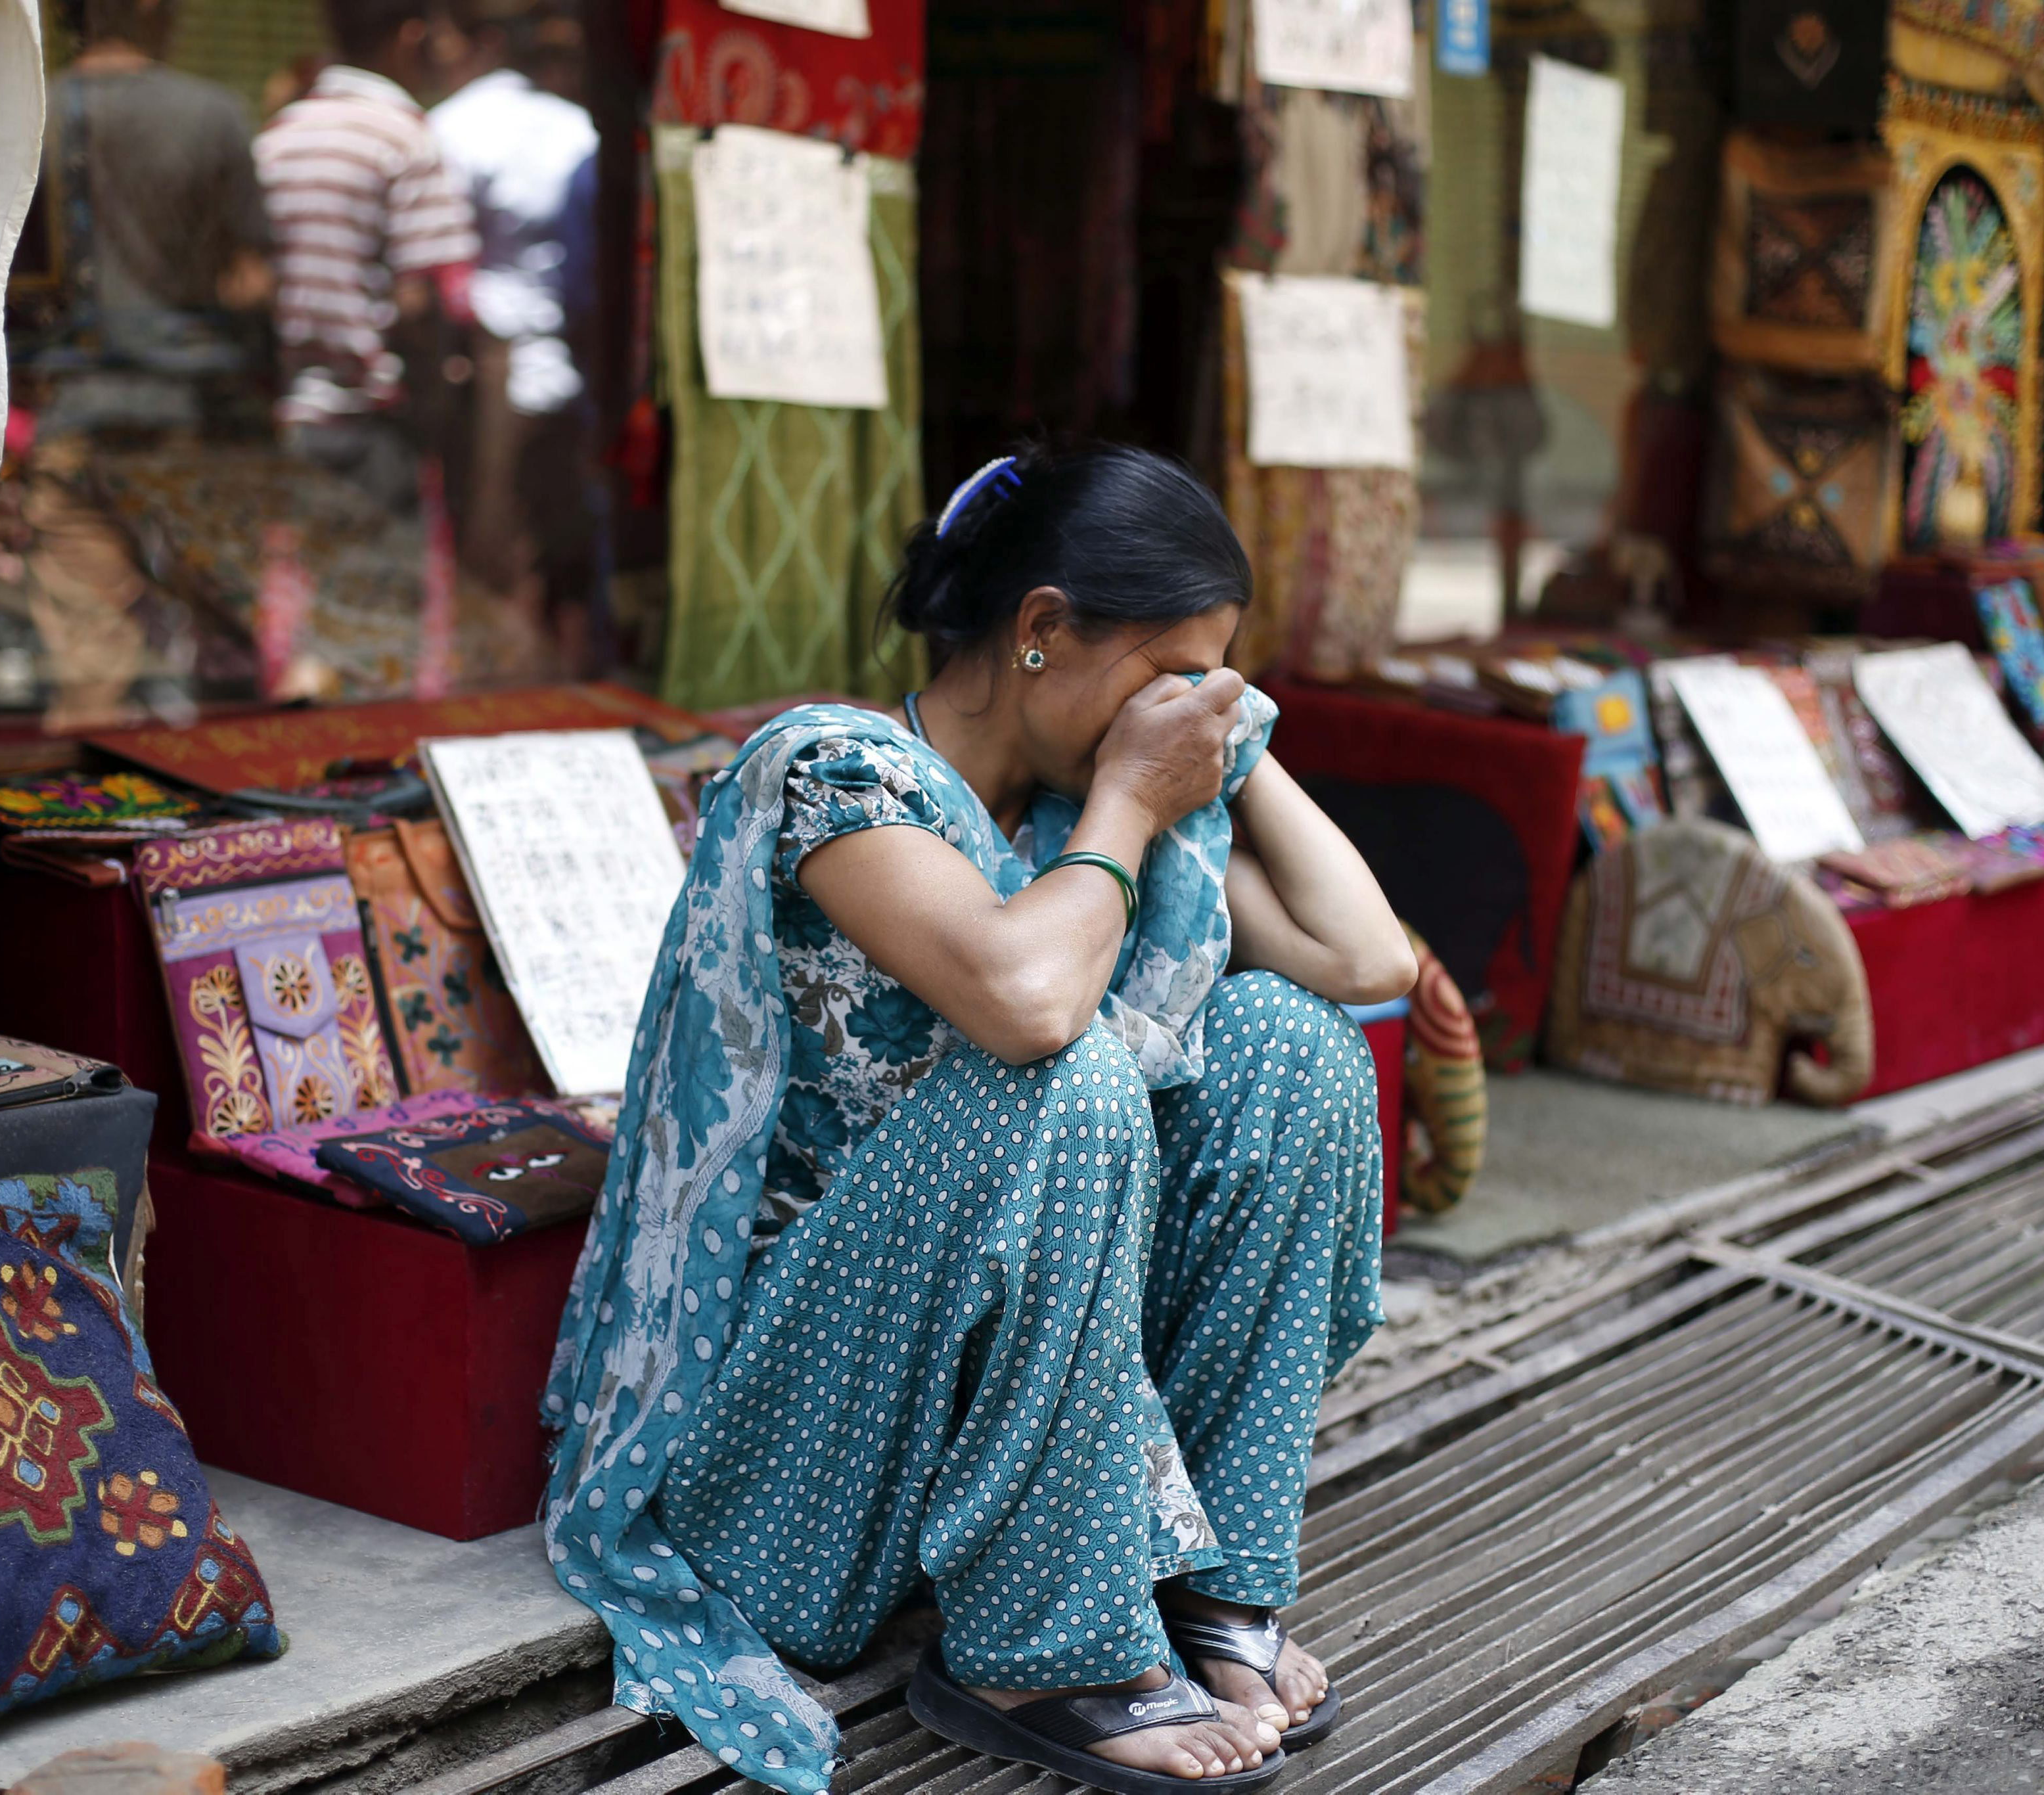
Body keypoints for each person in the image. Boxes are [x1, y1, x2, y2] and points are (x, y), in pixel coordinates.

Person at [543, 443, 1419, 1795]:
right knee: (1064, 1072)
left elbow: (1370, 965)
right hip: (798, 1461)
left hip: (985, 1452)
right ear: (1040, 629)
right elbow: (1024, 998)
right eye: (1166, 667)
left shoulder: (1103, 820)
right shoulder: (836, 775)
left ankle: (1200, 1588)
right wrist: (1132, 797)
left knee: (1292, 1047)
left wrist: (1229, 745)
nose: (1184, 706)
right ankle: (1034, 1648)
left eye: (1212, 673)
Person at [425, 0, 602, 670]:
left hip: (487, 365)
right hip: (567, 360)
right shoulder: (576, 128)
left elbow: (441, 265)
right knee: (553, 542)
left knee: (491, 543)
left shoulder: (452, 127)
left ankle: (502, 680)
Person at [253, 0, 478, 514]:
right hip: (377, 431)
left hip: (293, 421)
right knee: (380, 588)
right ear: (409, 36)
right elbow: (418, 300)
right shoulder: (406, 139)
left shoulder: (277, 136)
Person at [30, 0, 274, 431]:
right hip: (188, 410)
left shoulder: (33, 120)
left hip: (60, 409)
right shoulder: (214, 116)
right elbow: (250, 283)